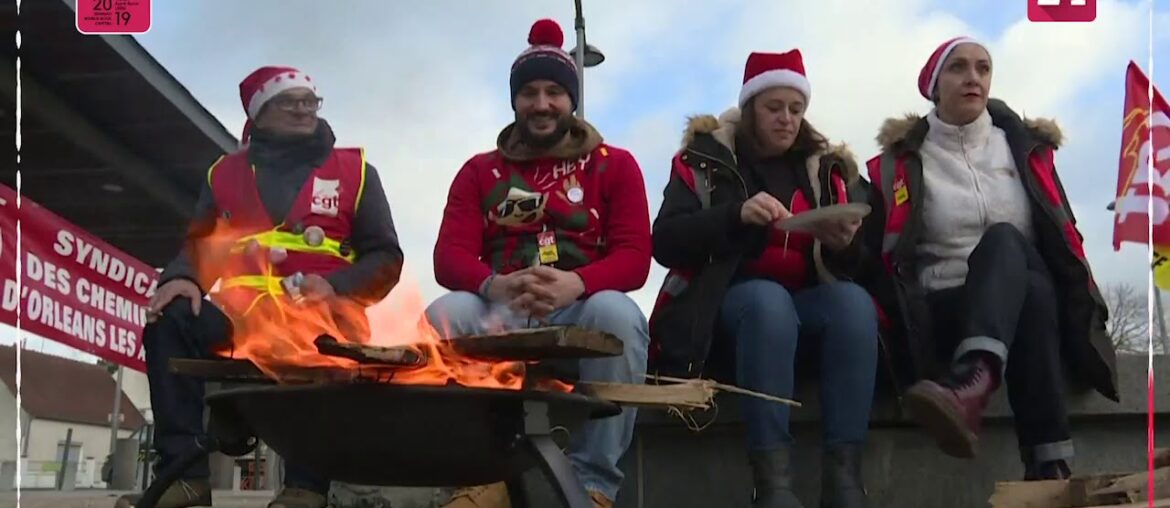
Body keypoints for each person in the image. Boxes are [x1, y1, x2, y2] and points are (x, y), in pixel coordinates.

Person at [117, 66, 404, 508]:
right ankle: (186, 476)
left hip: (322, 319)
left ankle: (306, 488)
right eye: (288, 102)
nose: (302, 110)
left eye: (309, 101)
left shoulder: (357, 170)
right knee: (170, 315)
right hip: (239, 323)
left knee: (319, 340)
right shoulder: (223, 174)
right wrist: (181, 279)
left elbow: (386, 259)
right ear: (259, 113)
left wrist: (334, 287)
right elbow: (199, 247)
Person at [857, 37, 1117, 481]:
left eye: (983, 67)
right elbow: (877, 256)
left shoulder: (1025, 151)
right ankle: (1048, 464)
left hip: (1024, 291)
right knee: (1031, 294)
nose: (973, 78)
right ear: (935, 86)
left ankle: (973, 382)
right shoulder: (896, 166)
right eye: (958, 68)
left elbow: (1062, 236)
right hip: (945, 306)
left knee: (1010, 251)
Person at [424, 18, 652, 508]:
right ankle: (478, 477)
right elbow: (448, 257)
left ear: (571, 99)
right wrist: (493, 286)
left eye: (555, 91)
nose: (542, 104)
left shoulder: (616, 164)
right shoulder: (479, 170)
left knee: (619, 313)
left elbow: (635, 258)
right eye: (529, 92)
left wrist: (577, 283)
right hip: (502, 311)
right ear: (514, 100)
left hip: (578, 311)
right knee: (445, 312)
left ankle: (593, 485)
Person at [649, 49, 878, 508]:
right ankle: (773, 483)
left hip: (808, 307)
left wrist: (844, 244)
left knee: (853, 304)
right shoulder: (705, 159)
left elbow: (867, 266)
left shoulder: (827, 166)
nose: (787, 120)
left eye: (796, 110)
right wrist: (734, 216)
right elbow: (666, 240)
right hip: (728, 310)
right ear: (751, 107)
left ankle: (846, 478)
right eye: (774, 108)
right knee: (767, 300)